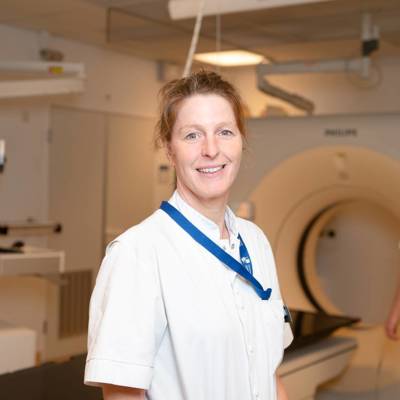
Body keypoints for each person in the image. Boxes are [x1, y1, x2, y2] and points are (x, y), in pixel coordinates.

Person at [84, 70, 293, 400]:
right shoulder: (138, 254)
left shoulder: (255, 242)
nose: (211, 149)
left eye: (225, 132)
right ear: (169, 150)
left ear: (241, 141)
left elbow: (269, 374)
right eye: (192, 135)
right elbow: (123, 395)